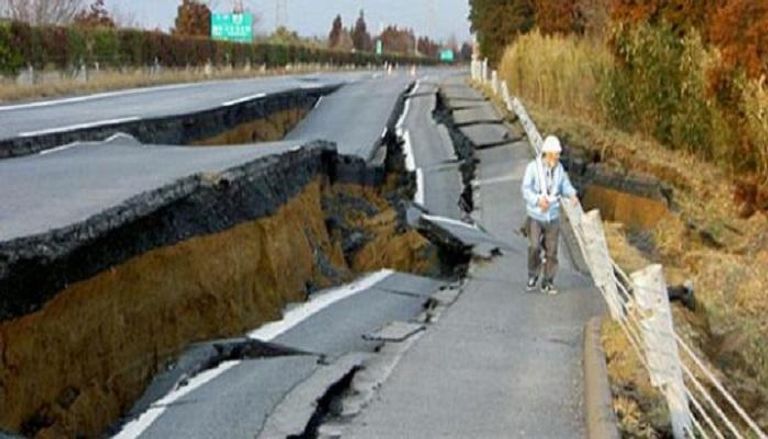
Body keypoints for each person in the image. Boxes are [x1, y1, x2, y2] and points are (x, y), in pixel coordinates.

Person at [521, 135, 578, 295]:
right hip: (535, 216)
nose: (557, 158)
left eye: (558, 155)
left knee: (552, 251)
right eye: (555, 154)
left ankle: (548, 281)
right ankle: (533, 275)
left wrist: (572, 194)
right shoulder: (533, 168)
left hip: (552, 216)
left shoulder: (559, 169)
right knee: (534, 247)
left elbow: (564, 185)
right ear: (547, 153)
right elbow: (526, 189)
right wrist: (538, 200)